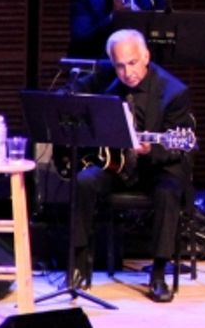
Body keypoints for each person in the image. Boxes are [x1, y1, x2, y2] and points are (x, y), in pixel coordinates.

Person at [72, 28, 193, 303]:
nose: (127, 72)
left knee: (168, 189)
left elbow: (181, 145)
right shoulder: (105, 81)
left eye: (133, 63)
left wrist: (151, 149)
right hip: (117, 165)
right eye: (119, 65)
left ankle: (159, 272)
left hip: (156, 168)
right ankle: (79, 262)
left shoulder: (174, 93)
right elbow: (76, 100)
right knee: (84, 181)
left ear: (146, 56)